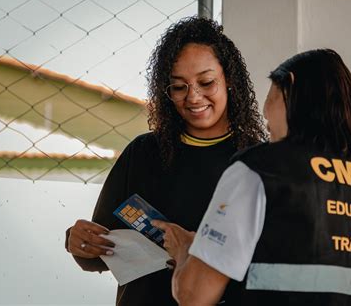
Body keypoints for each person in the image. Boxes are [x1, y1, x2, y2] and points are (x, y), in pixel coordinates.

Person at [156, 49, 351, 306]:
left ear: (289, 87)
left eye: (271, 93)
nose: (265, 115)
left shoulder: (260, 169)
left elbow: (193, 296)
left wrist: (186, 250)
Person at [65, 17, 265, 306]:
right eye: (179, 87)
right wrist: (79, 242)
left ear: (230, 79)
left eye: (206, 82)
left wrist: (195, 252)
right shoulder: (142, 153)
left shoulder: (259, 163)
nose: (193, 97)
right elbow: (99, 254)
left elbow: (271, 268)